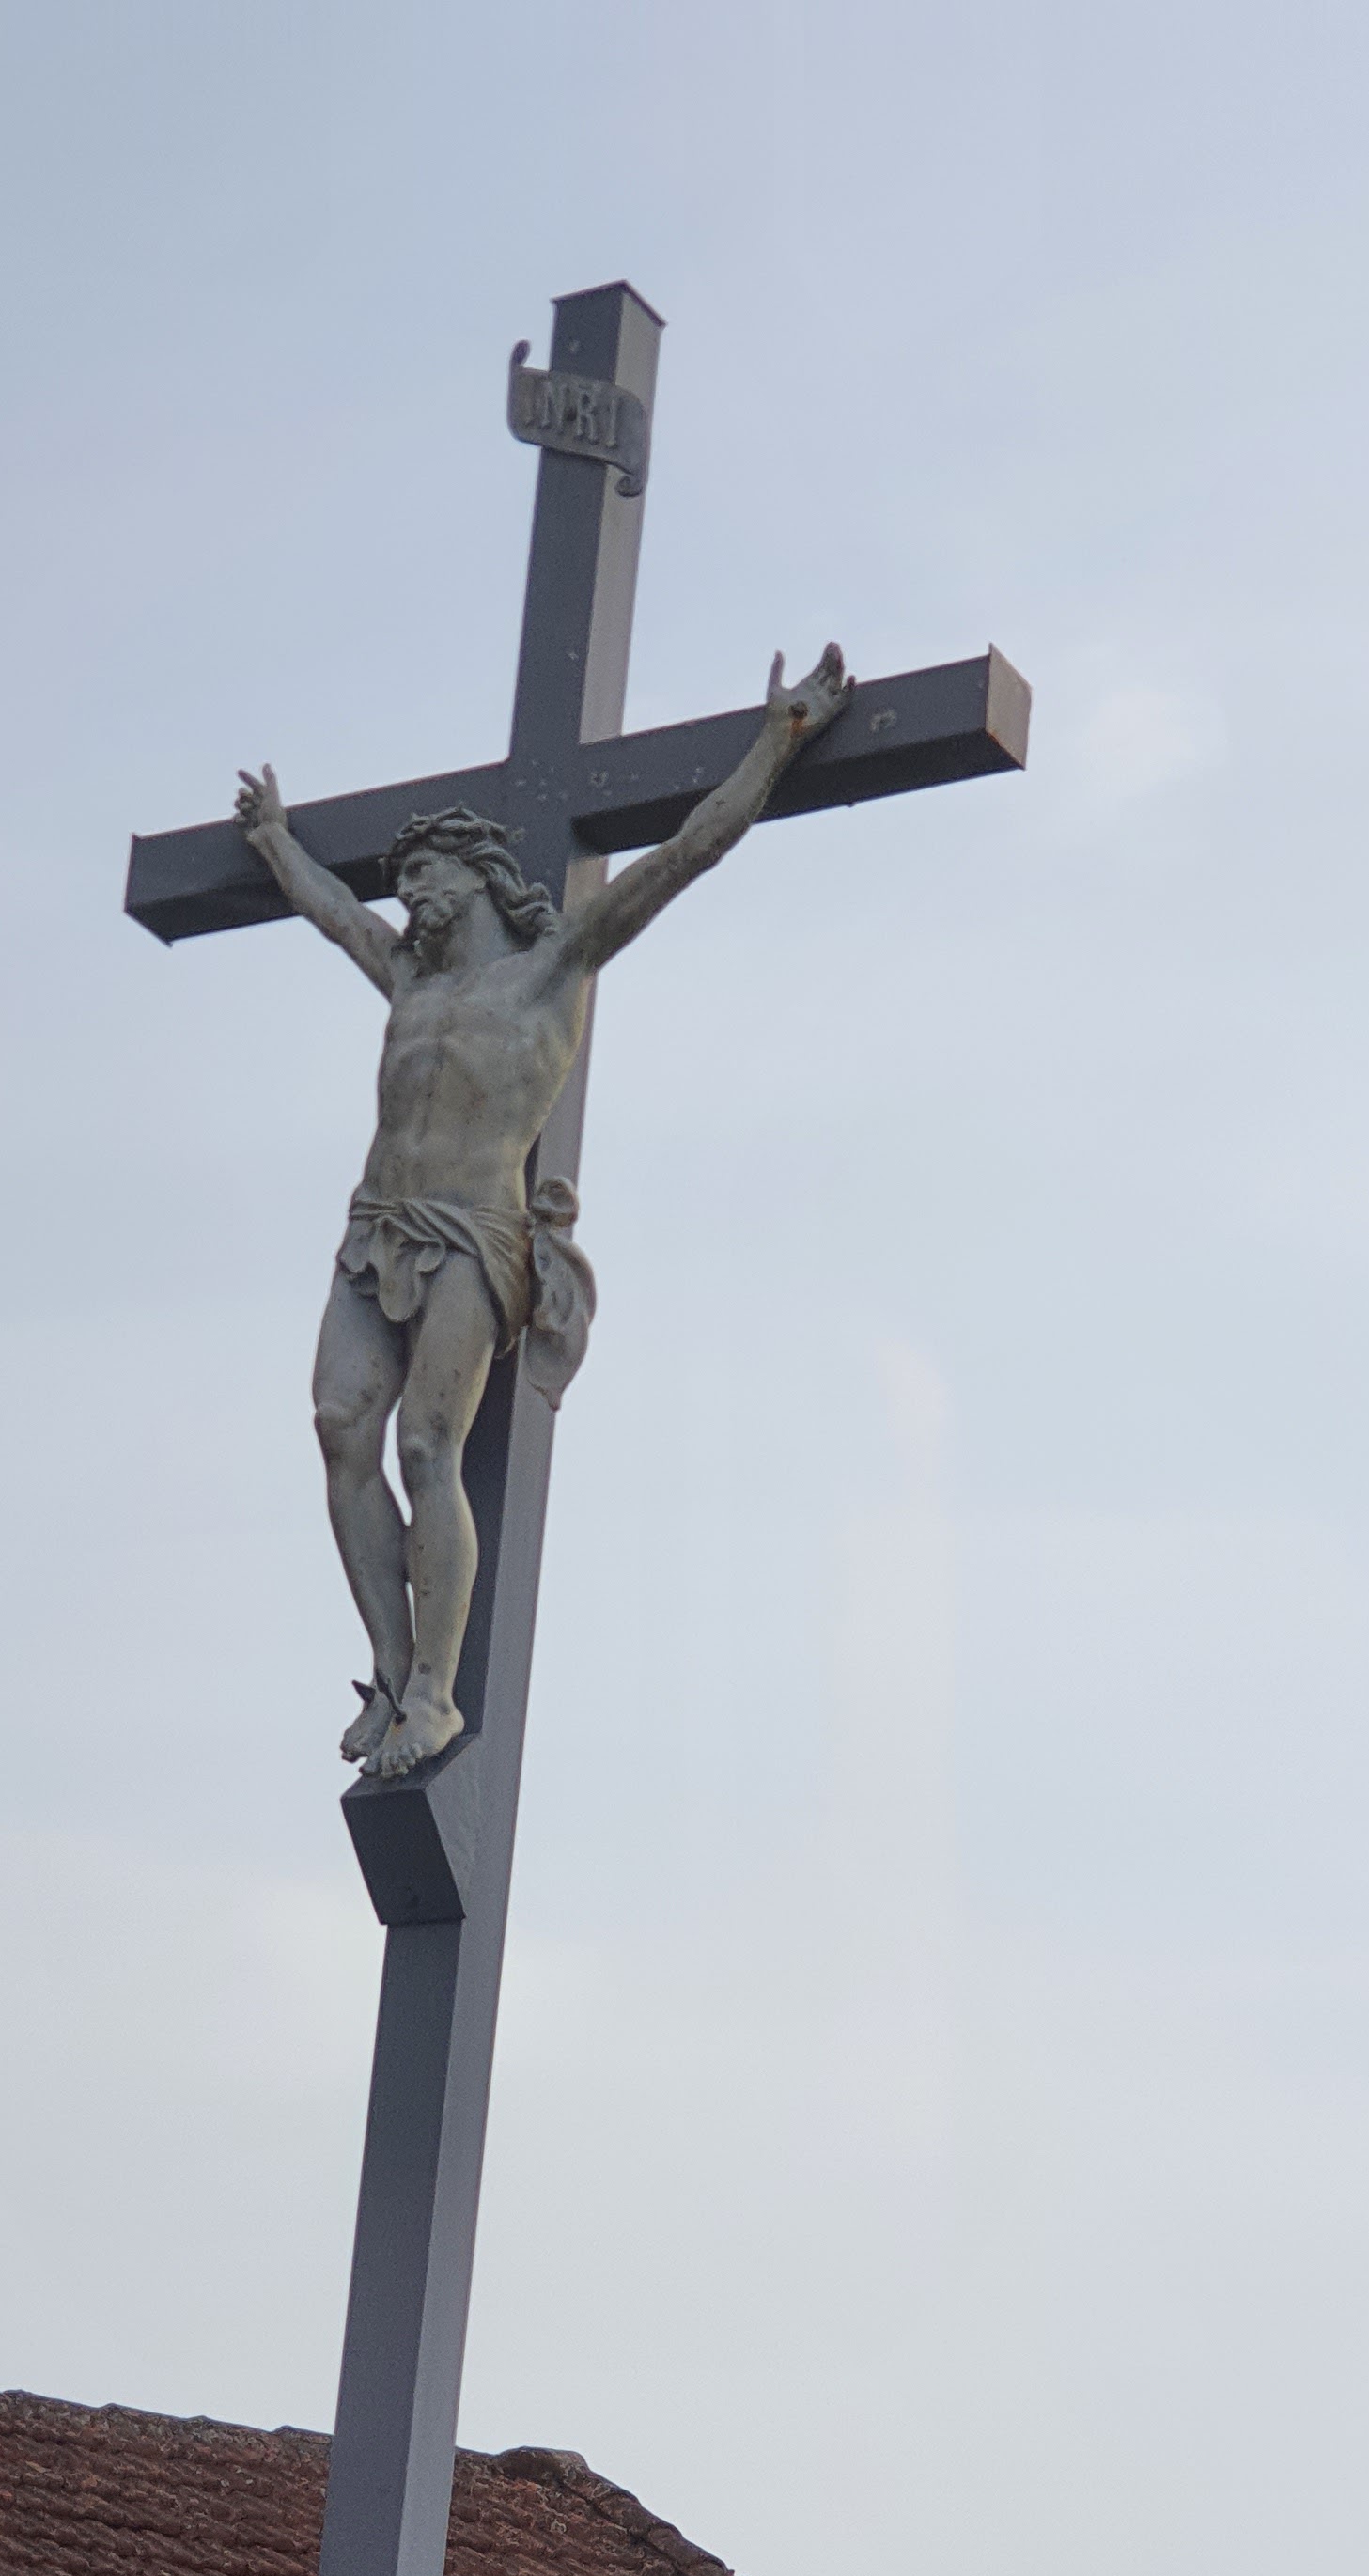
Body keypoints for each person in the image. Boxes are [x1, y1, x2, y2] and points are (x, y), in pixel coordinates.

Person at [232, 643, 853, 1776]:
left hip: (476, 1233)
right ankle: (389, 1672)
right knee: (337, 1428)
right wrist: (275, 841)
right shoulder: (409, 979)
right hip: (375, 1231)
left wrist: (778, 739)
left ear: (477, 877)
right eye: (404, 882)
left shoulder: (553, 967)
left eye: (427, 875)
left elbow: (686, 851)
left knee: (426, 1444)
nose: (409, 897)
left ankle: (436, 1696)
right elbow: (333, 914)